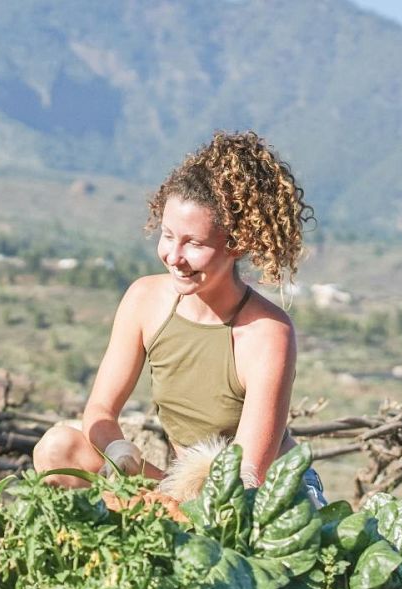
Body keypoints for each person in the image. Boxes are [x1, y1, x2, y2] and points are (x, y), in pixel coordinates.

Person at [32, 131, 325, 503]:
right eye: (168, 236)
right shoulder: (144, 299)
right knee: (58, 451)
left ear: (238, 244)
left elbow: (247, 477)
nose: (174, 255)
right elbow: (100, 411)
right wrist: (120, 454)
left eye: (194, 243)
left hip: (257, 497)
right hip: (182, 488)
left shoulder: (268, 333)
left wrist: (158, 502)